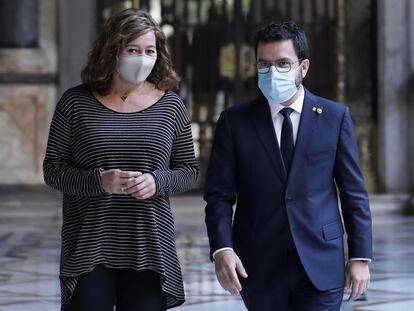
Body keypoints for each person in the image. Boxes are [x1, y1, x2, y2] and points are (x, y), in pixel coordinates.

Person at [204, 21, 372, 311]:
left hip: (321, 263)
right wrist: (222, 249)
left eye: (282, 63)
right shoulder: (234, 122)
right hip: (258, 265)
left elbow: (353, 193)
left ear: (303, 67)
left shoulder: (334, 117)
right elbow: (219, 195)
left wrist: (359, 257)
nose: (272, 72)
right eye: (264, 64)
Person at [43, 9, 199, 311]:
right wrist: (98, 181)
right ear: (112, 50)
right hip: (89, 245)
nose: (142, 58)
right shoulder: (75, 103)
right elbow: (53, 170)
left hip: (150, 246)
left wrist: (157, 181)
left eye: (150, 50)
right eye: (133, 50)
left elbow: (189, 171)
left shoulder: (171, 106)